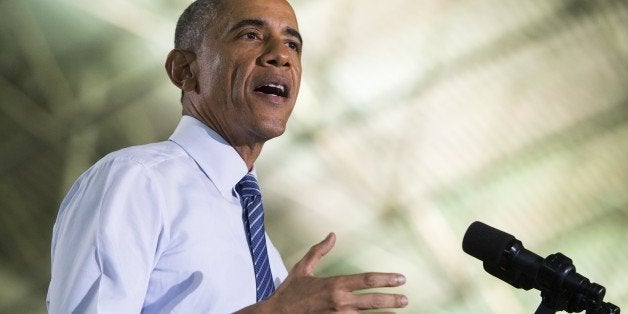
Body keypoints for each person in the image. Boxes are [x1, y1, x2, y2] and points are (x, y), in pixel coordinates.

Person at [46, 0, 408, 312]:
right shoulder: (137, 182)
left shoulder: (268, 256)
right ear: (184, 70)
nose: (281, 55)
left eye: (293, 44)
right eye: (250, 35)